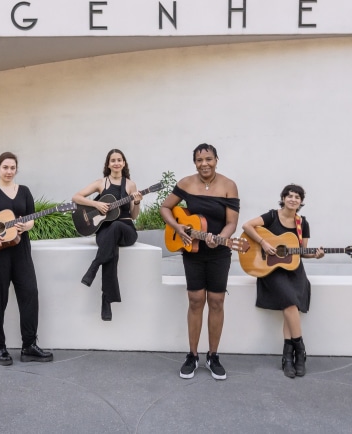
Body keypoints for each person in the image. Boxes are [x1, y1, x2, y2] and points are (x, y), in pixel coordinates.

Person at [160, 143, 240, 380]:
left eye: (209, 159)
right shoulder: (186, 183)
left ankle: (213, 355)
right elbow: (166, 207)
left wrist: (221, 238)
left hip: (219, 253)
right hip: (192, 250)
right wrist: (177, 227)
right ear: (194, 162)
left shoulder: (228, 186)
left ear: (217, 159)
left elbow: (232, 223)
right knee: (195, 300)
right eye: (199, 160)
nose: (204, 164)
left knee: (216, 301)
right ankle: (192, 355)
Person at [0, 151, 53, 365]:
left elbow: (31, 218)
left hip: (21, 250)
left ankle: (29, 346)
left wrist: (26, 224)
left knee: (30, 294)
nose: (9, 171)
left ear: (16, 170)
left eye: (12, 167)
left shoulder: (24, 191)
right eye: (5, 167)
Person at [241, 184, 324, 379]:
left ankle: (288, 357)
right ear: (283, 198)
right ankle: (300, 351)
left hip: (293, 271)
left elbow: (302, 252)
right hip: (271, 270)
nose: (293, 199)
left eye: (297, 197)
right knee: (289, 303)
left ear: (301, 202)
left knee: (291, 305)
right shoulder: (272, 216)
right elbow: (247, 226)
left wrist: (316, 255)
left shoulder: (302, 223)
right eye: (290, 196)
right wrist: (263, 243)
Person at [73, 148, 143, 321]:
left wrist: (137, 202)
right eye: (113, 160)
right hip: (105, 230)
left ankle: (94, 266)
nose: (117, 163)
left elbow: (134, 216)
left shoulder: (130, 185)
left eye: (120, 160)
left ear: (124, 163)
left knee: (117, 224)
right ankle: (106, 300)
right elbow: (76, 197)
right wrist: (96, 205)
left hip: (126, 229)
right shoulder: (100, 183)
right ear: (108, 164)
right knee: (110, 247)